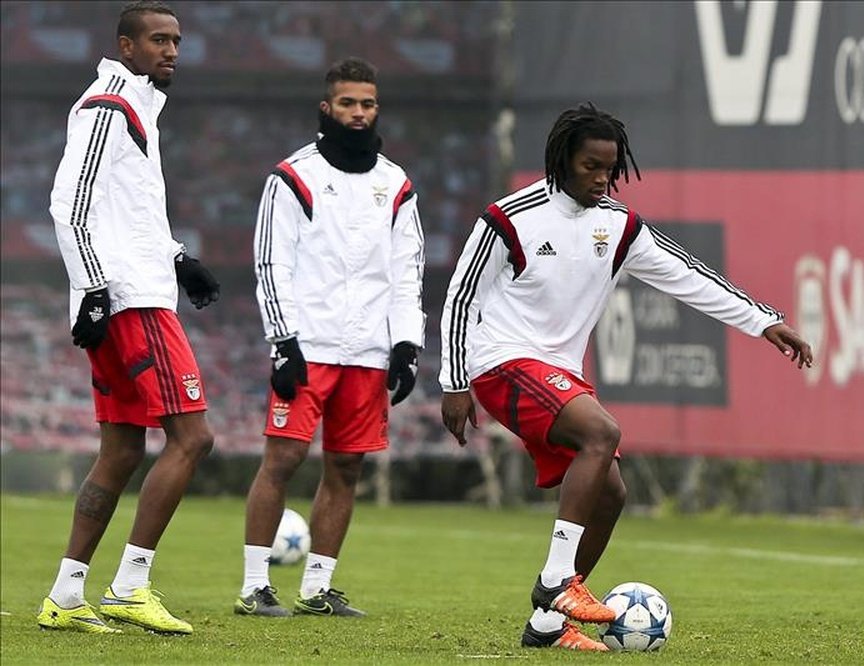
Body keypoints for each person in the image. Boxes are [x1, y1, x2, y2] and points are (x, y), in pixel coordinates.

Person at [439, 103, 813, 651]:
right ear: (564, 159)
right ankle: (557, 584)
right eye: (591, 165)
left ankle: (546, 625)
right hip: (502, 362)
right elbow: (460, 296)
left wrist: (764, 321)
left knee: (611, 494)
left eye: (610, 169)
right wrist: (453, 380)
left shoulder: (620, 226)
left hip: (557, 374)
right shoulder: (509, 218)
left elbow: (691, 277)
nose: (602, 178)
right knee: (603, 433)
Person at [38, 1, 220, 636]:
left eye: (175, 40)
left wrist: (179, 257)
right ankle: (131, 586)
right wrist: (93, 287)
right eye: (157, 40)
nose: (171, 50)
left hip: (134, 287)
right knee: (193, 439)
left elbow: (130, 212)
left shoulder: (138, 106)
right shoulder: (108, 105)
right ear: (125, 46)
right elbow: (71, 204)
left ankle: (65, 594)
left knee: (119, 449)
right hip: (129, 301)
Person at [235, 57, 425, 618]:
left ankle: (317, 590)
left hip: (368, 350)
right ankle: (253, 587)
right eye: (348, 103)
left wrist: (406, 344)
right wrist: (283, 341)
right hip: (309, 345)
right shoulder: (291, 177)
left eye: (367, 103)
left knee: (346, 468)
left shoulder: (396, 184)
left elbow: (408, 269)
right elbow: (271, 263)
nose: (359, 113)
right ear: (327, 108)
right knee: (284, 459)